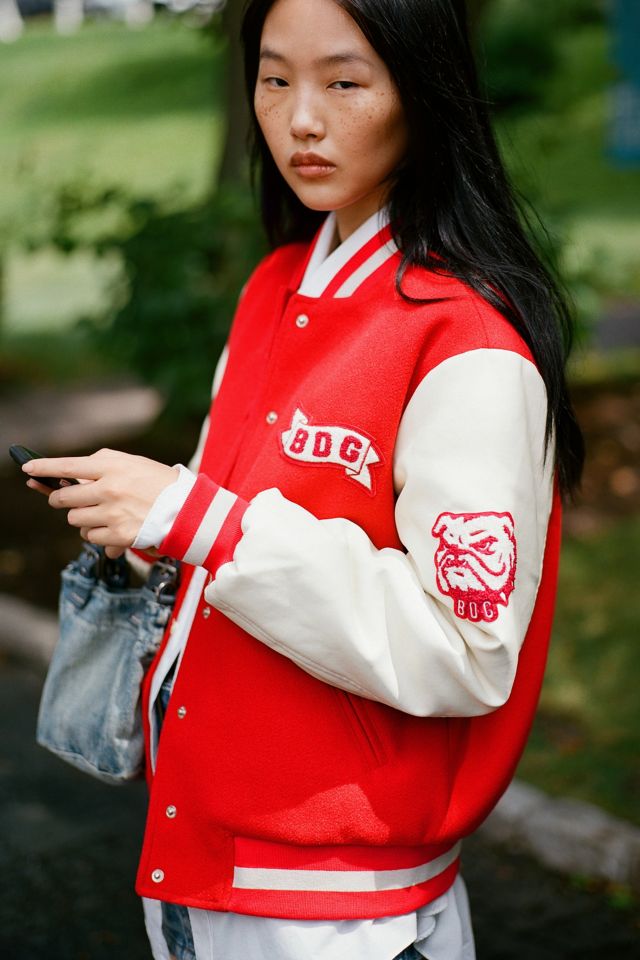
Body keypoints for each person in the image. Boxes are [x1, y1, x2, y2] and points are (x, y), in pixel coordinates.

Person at [23, 0, 585, 957]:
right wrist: (145, 518)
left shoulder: (465, 343)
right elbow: (221, 537)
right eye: (276, 79)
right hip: (196, 862)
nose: (302, 118)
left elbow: (467, 649)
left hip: (342, 910)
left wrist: (202, 521)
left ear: (425, 92)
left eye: (345, 81)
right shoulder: (275, 287)